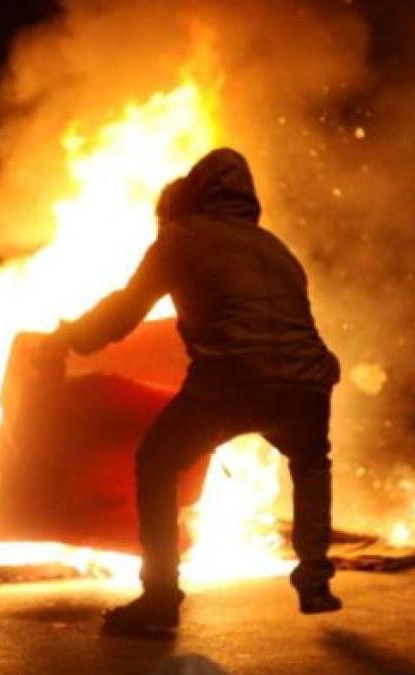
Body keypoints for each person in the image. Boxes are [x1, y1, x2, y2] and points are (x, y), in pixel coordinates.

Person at [47, 148, 343, 634]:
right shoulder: (275, 248)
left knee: (157, 461)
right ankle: (314, 579)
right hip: (307, 382)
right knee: (310, 463)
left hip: (233, 378)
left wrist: (72, 339)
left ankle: (159, 600)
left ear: (187, 200)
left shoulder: (180, 240)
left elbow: (125, 311)